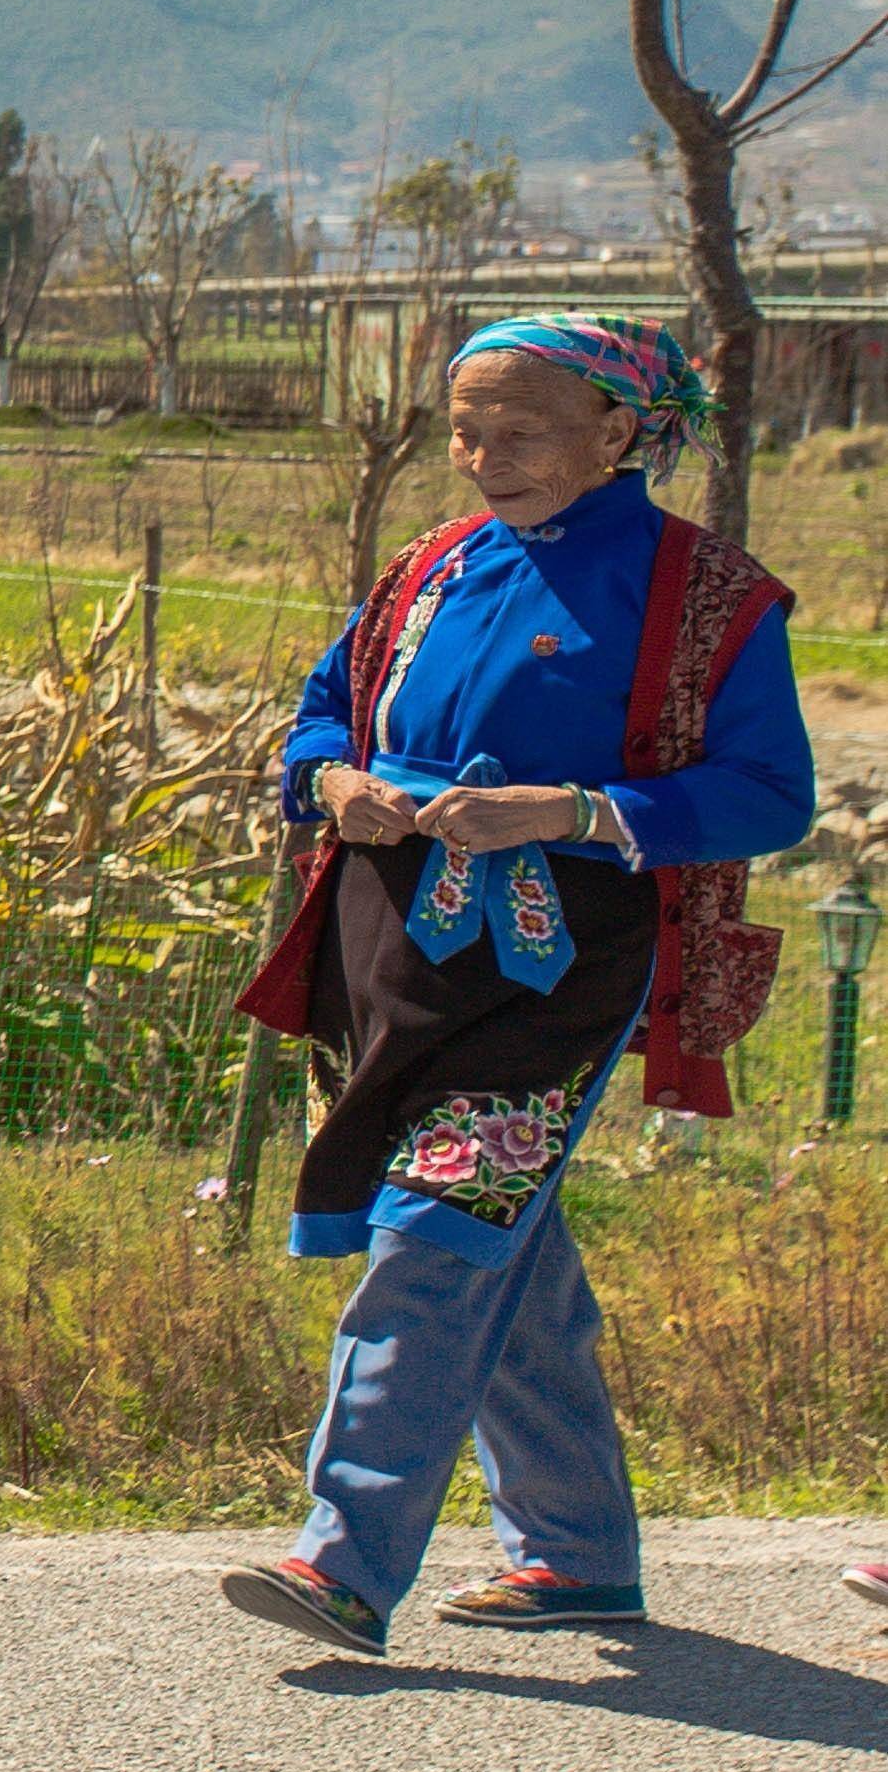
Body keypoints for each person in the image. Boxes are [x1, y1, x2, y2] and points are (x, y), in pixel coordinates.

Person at [226, 314, 811, 1656]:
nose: (482, 457)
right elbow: (324, 707)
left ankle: (341, 1561)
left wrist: (575, 811)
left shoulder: (705, 596)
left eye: (518, 430)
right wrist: (335, 780)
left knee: (431, 1239)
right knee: (505, 1246)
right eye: (464, 429)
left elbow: (769, 791)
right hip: (395, 953)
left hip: (559, 967)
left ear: (616, 432)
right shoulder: (428, 565)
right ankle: (575, 1554)